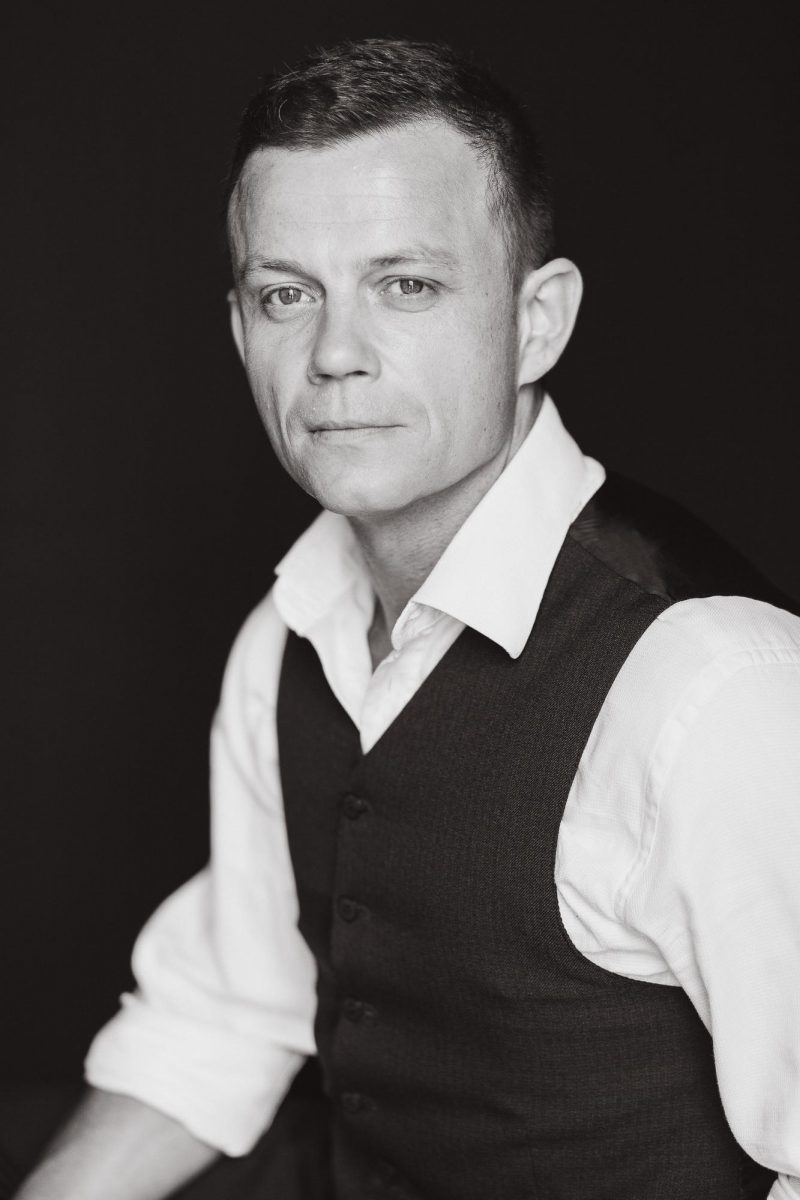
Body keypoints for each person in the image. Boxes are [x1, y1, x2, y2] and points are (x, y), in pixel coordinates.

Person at [13, 36, 800, 1200]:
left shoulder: (711, 685)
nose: (333, 354)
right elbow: (220, 1014)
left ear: (537, 322)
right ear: (238, 331)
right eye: (286, 295)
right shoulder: (287, 635)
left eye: (406, 285)